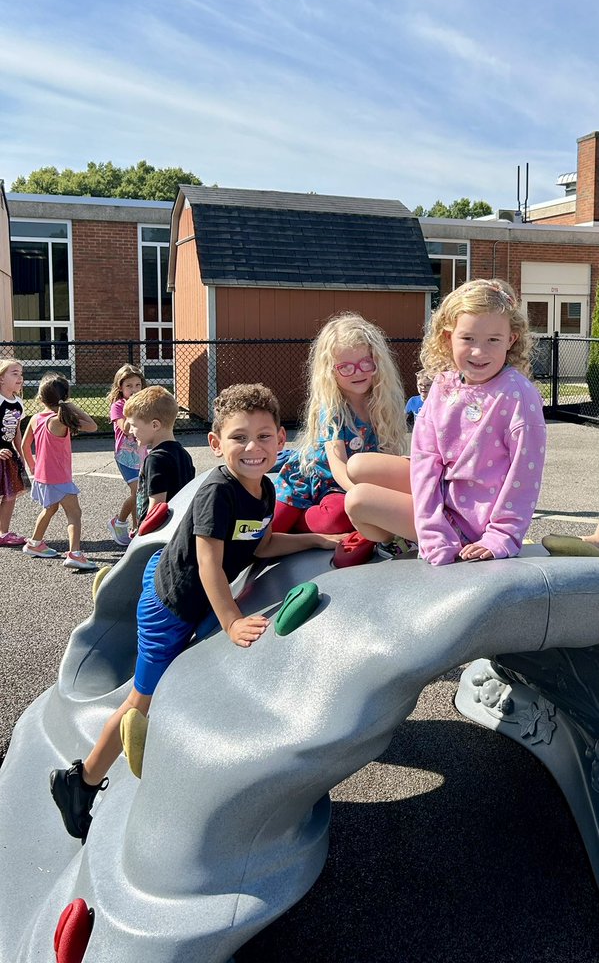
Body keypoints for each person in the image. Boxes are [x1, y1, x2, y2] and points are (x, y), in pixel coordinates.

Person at [50, 382, 345, 841]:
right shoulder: (218, 493)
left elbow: (260, 543)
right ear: (214, 443)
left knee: (199, 672)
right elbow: (209, 562)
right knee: (140, 701)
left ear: (281, 441)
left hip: (191, 588)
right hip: (171, 606)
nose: (253, 447)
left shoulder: (264, 489)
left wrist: (316, 539)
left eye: (264, 436)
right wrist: (230, 621)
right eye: (239, 437)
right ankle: (80, 780)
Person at [345, 278, 546, 566]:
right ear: (447, 337)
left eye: (493, 340)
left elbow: (524, 478)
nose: (479, 351)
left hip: (469, 524)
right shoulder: (444, 385)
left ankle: (404, 539)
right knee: (358, 465)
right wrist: (431, 527)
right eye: (468, 339)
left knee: (358, 500)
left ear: (511, 339)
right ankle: (406, 537)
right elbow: (426, 460)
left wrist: (501, 536)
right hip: (444, 495)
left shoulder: (518, 397)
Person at [273, 312, 406, 565]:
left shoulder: (382, 404)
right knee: (268, 531)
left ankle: (317, 520)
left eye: (365, 363)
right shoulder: (333, 408)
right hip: (313, 479)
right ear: (330, 371)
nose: (358, 372)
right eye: (345, 367)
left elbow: (387, 459)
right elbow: (338, 467)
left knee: (337, 517)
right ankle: (300, 521)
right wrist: (368, 497)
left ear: (376, 361)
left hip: (340, 491)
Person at [20, 373, 97, 569]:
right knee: (74, 513)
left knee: (50, 508)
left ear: (40, 398)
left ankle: (35, 543)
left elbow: (24, 445)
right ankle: (75, 553)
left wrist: (32, 465)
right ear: (66, 397)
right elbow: (93, 426)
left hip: (42, 476)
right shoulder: (61, 419)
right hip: (59, 478)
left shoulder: (36, 418)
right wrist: (71, 406)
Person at [123, 385, 195, 529]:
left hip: (158, 536)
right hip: (178, 529)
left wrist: (142, 535)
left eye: (134, 425)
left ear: (155, 425)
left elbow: (157, 508)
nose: (130, 430)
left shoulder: (155, 459)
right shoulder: (183, 454)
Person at [107, 365, 147, 546]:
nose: (134, 390)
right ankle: (119, 521)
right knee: (138, 491)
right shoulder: (119, 406)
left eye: (138, 385)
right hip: (125, 456)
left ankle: (136, 528)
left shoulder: (145, 405)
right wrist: (133, 409)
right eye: (129, 386)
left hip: (142, 454)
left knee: (138, 492)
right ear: (121, 388)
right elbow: (126, 429)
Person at [0, 358, 29, 548]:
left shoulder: (18, 403)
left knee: (10, 494)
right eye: (14, 373)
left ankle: (3, 532)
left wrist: (21, 453)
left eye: (21, 374)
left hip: (8, 454)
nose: (20, 377)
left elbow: (17, 431)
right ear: (1, 378)